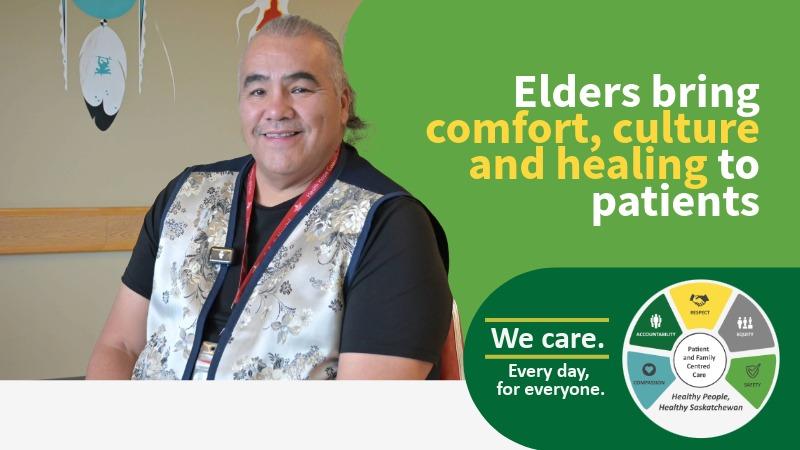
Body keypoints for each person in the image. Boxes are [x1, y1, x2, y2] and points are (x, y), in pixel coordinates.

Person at [85, 15, 452, 380]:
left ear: (343, 105)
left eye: (300, 89)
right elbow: (121, 346)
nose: (276, 110)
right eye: (258, 91)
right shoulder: (186, 193)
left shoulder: (391, 225)